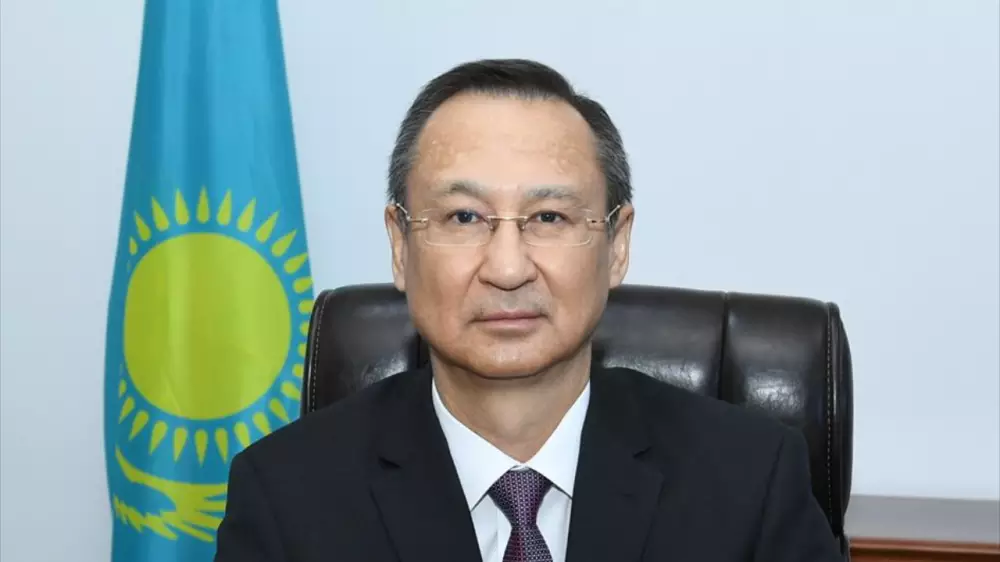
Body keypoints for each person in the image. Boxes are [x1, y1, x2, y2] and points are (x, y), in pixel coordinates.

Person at [215, 58, 843, 562]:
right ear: (400, 247)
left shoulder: (750, 481)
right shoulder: (286, 496)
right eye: (464, 217)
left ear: (616, 245)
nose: (508, 268)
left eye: (549, 217)